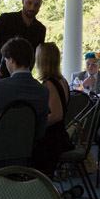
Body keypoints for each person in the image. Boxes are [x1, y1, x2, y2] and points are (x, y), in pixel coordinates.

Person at [0, 37, 49, 139]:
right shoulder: (43, 91)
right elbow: (40, 131)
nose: (6, 63)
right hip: (29, 151)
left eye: (5, 59)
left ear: (11, 59)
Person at [0, 0, 46, 80]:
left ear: (40, 5)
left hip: (23, 81)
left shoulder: (40, 29)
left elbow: (36, 57)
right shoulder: (6, 19)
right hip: (0, 78)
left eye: (36, 4)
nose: (32, 7)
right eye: (29, 3)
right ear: (23, 0)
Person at [34, 42, 72, 175]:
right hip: (61, 136)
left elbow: (56, 115)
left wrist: (36, 124)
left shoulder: (49, 84)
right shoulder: (63, 80)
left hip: (53, 140)